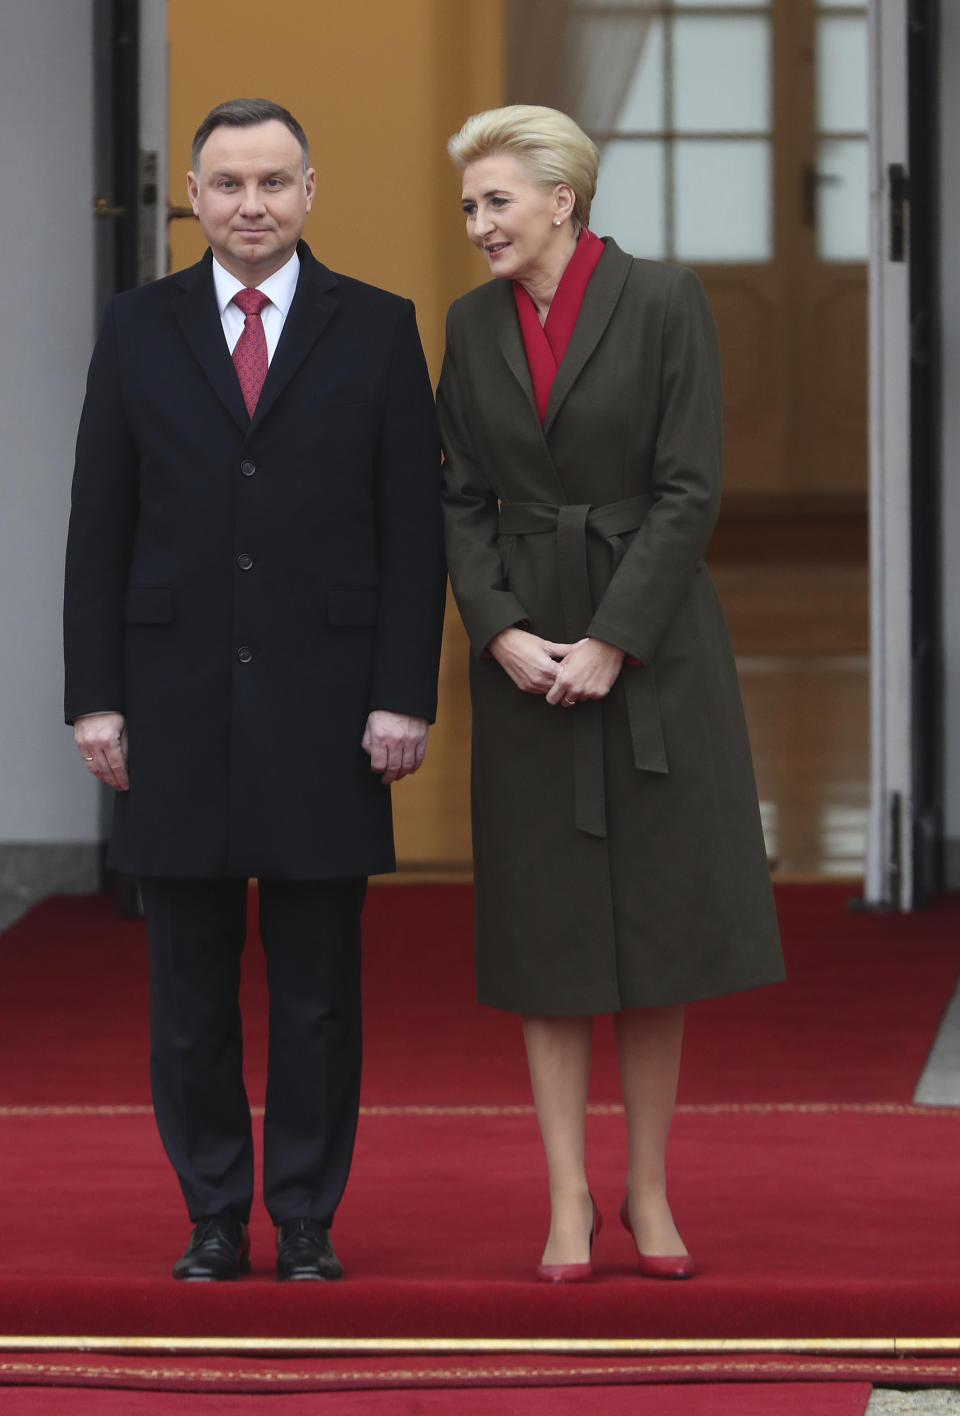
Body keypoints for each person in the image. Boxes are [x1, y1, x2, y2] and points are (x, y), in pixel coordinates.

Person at [64, 98, 444, 1282]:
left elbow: (413, 531)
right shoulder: (136, 328)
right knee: (187, 992)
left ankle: (310, 1221)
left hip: (332, 706)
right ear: (193, 194)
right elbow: (99, 526)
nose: (251, 205)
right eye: (227, 184)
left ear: (311, 191)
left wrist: (402, 693)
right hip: (168, 702)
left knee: (321, 991)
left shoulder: (379, 329)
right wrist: (94, 698)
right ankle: (215, 1215)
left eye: (273, 182)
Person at [438, 105, 784, 1283]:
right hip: (524, 658)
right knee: (548, 936)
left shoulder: (667, 300)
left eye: (496, 201)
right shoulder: (468, 327)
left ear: (562, 201)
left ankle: (647, 1186)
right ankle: (568, 1199)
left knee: (654, 932)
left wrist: (614, 641)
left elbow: (691, 490)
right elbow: (455, 498)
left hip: (657, 654)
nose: (478, 223)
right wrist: (501, 633)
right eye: (471, 204)